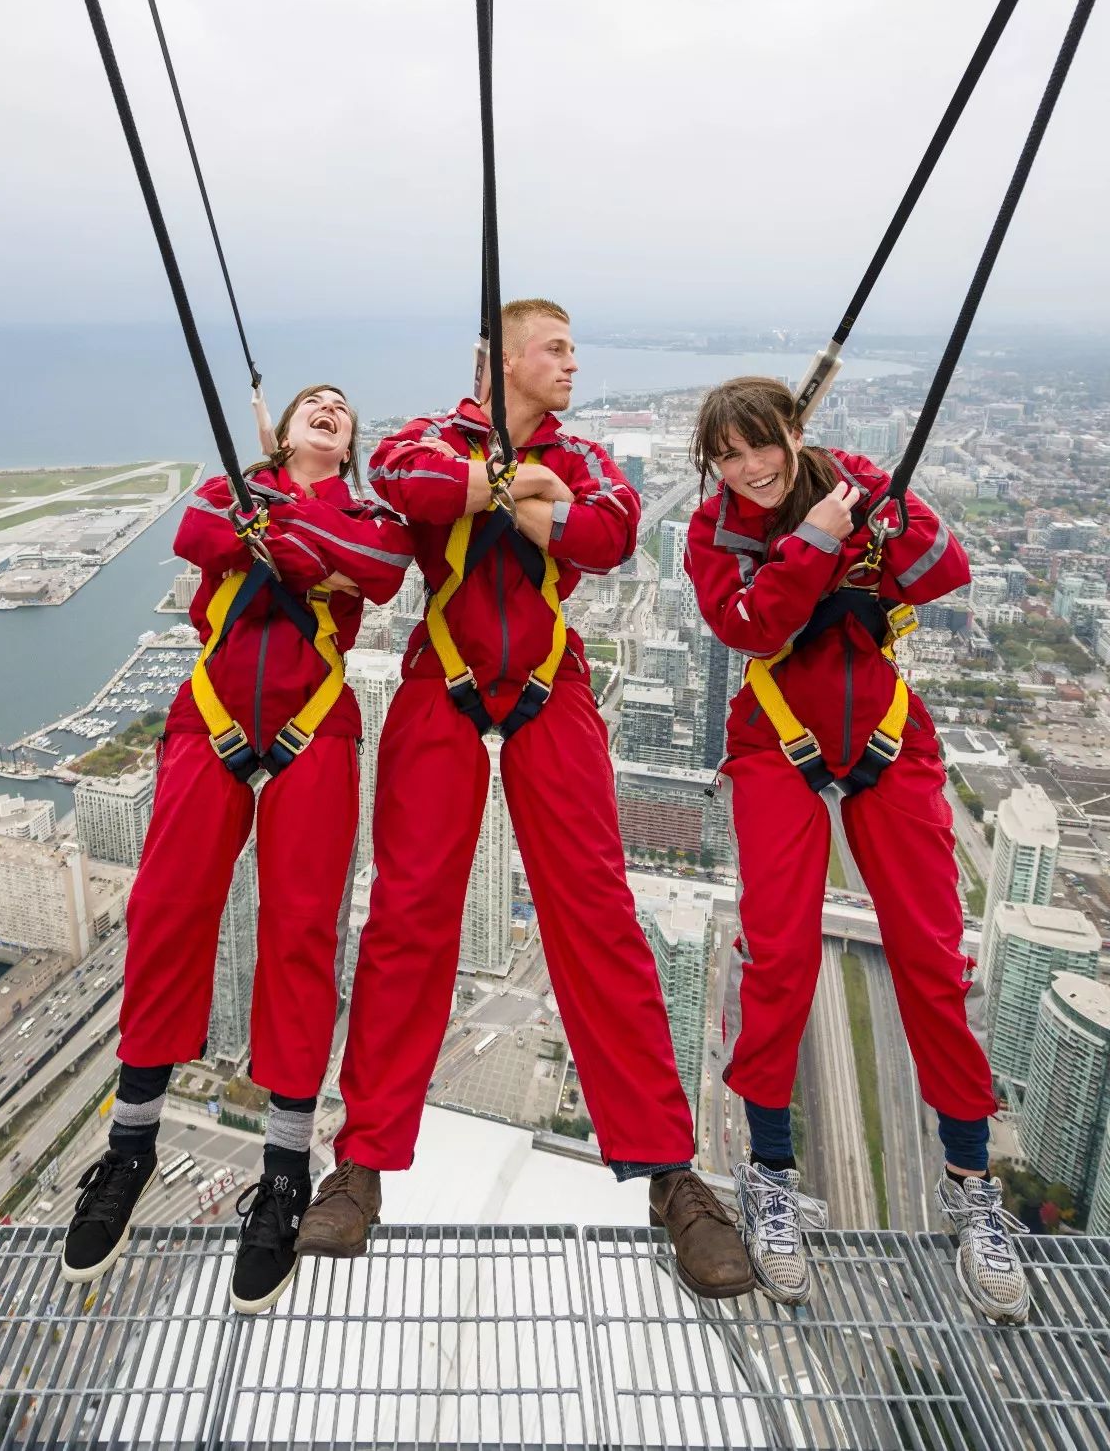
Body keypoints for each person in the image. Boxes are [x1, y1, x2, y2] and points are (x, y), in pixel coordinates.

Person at [294, 301, 754, 1302]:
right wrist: (516, 482)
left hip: (551, 681)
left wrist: (501, 491)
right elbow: (403, 485)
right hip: (440, 685)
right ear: (499, 361)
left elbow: (609, 532)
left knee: (595, 915)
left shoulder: (585, 456)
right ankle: (361, 1166)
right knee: (407, 918)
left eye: (574, 348)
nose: (573, 363)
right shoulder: (429, 436)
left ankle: (669, 1176)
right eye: (555, 348)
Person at [59, 385, 410, 1312]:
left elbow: (377, 567)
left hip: (315, 727)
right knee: (166, 913)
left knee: (300, 931)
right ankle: (129, 1151)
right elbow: (197, 535)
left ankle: (285, 1171)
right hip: (207, 719)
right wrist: (294, 540)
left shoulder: (367, 512)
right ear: (283, 430)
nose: (330, 408)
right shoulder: (232, 489)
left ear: (349, 442)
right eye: (312, 404)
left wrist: (285, 534)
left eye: (342, 408)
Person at [686, 375, 1028, 1323]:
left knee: (929, 955)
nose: (748, 468)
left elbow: (946, 571)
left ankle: (971, 1188)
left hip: (886, 733)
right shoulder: (715, 531)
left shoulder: (860, 484)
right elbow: (748, 623)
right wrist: (817, 543)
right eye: (727, 455)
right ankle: (770, 1176)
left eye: (762, 445)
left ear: (796, 432)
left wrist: (883, 514)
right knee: (781, 957)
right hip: (776, 740)